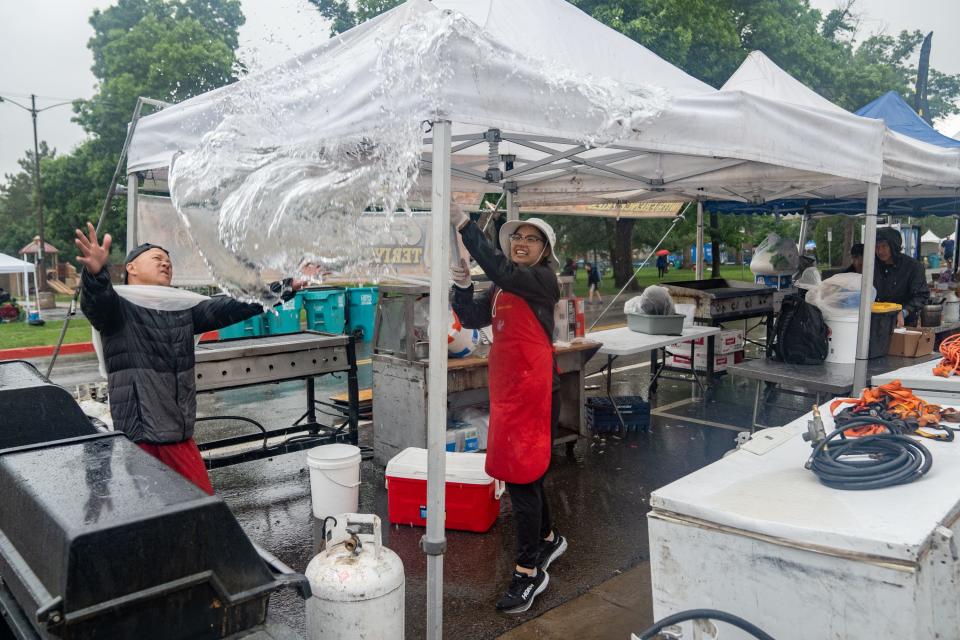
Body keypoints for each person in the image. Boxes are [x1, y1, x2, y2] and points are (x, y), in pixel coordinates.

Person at [75, 223, 298, 494]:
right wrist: (96, 274)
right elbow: (96, 303)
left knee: (201, 508)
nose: (165, 264)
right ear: (131, 268)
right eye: (157, 259)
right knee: (152, 518)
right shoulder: (119, 309)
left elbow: (234, 305)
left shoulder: (180, 309)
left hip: (180, 436)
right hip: (142, 438)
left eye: (168, 261)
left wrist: (287, 287)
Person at [449, 208, 566, 614]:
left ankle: (529, 571)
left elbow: (502, 270)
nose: (521, 243)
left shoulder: (542, 280)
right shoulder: (500, 289)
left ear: (545, 250)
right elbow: (468, 317)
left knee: (522, 478)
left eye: (532, 239)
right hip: (508, 392)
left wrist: (466, 227)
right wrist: (462, 285)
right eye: (518, 237)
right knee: (527, 475)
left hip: (533, 393)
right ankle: (549, 538)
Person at [874, 227, 928, 327]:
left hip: (904, 323)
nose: (880, 251)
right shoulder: (873, 266)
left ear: (894, 246)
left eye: (884, 246)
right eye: (877, 247)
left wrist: (904, 311)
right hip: (877, 323)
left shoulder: (913, 267)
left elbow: (921, 296)